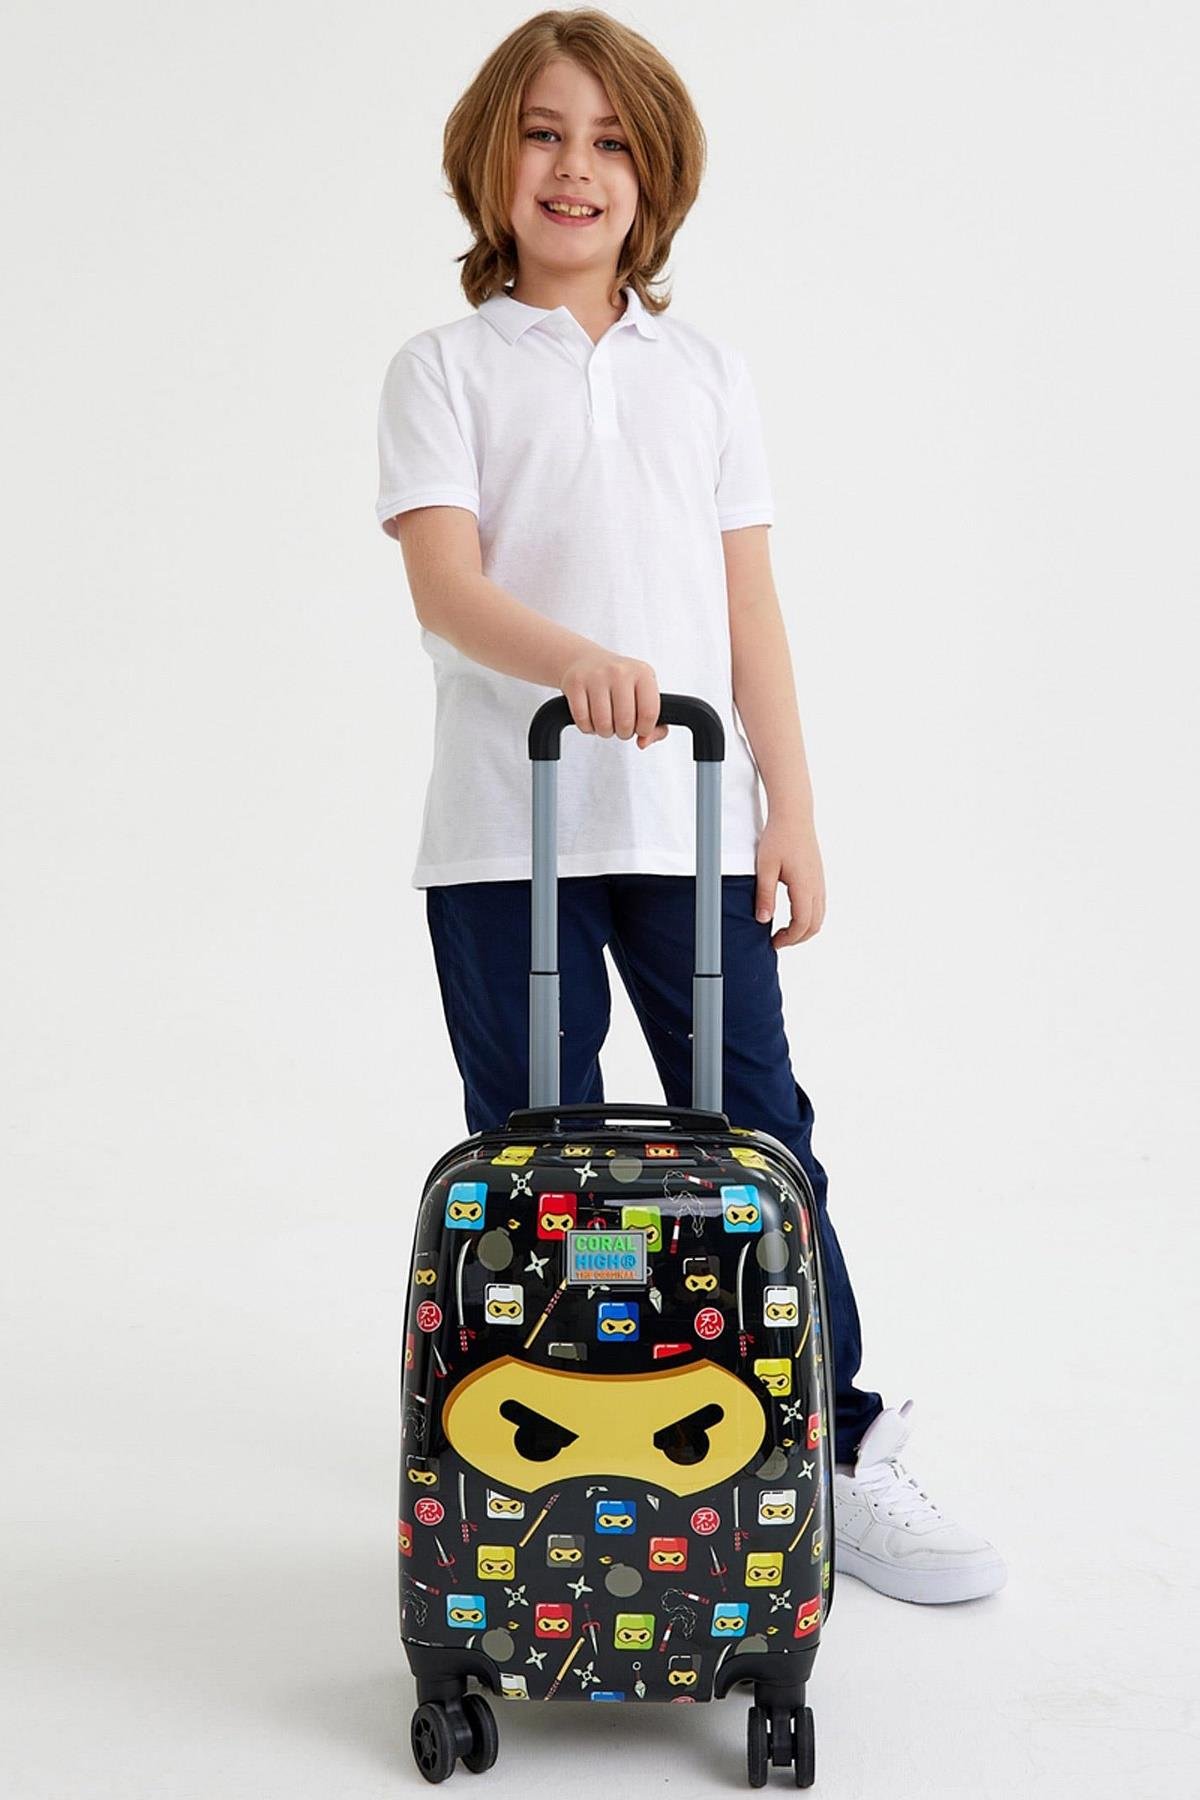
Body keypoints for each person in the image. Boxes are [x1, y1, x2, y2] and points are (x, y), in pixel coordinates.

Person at [374, 8, 1004, 1605]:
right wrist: (577, 661)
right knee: (541, 1160)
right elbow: (447, 587)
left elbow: (750, 612)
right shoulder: (442, 369)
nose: (573, 168)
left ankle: (832, 1447)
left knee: (759, 1136)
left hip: (689, 825)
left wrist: (792, 807)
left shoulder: (705, 374)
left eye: (610, 142)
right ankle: (559, 1454)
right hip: (507, 836)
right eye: (543, 133)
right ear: (490, 159)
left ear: (653, 178)